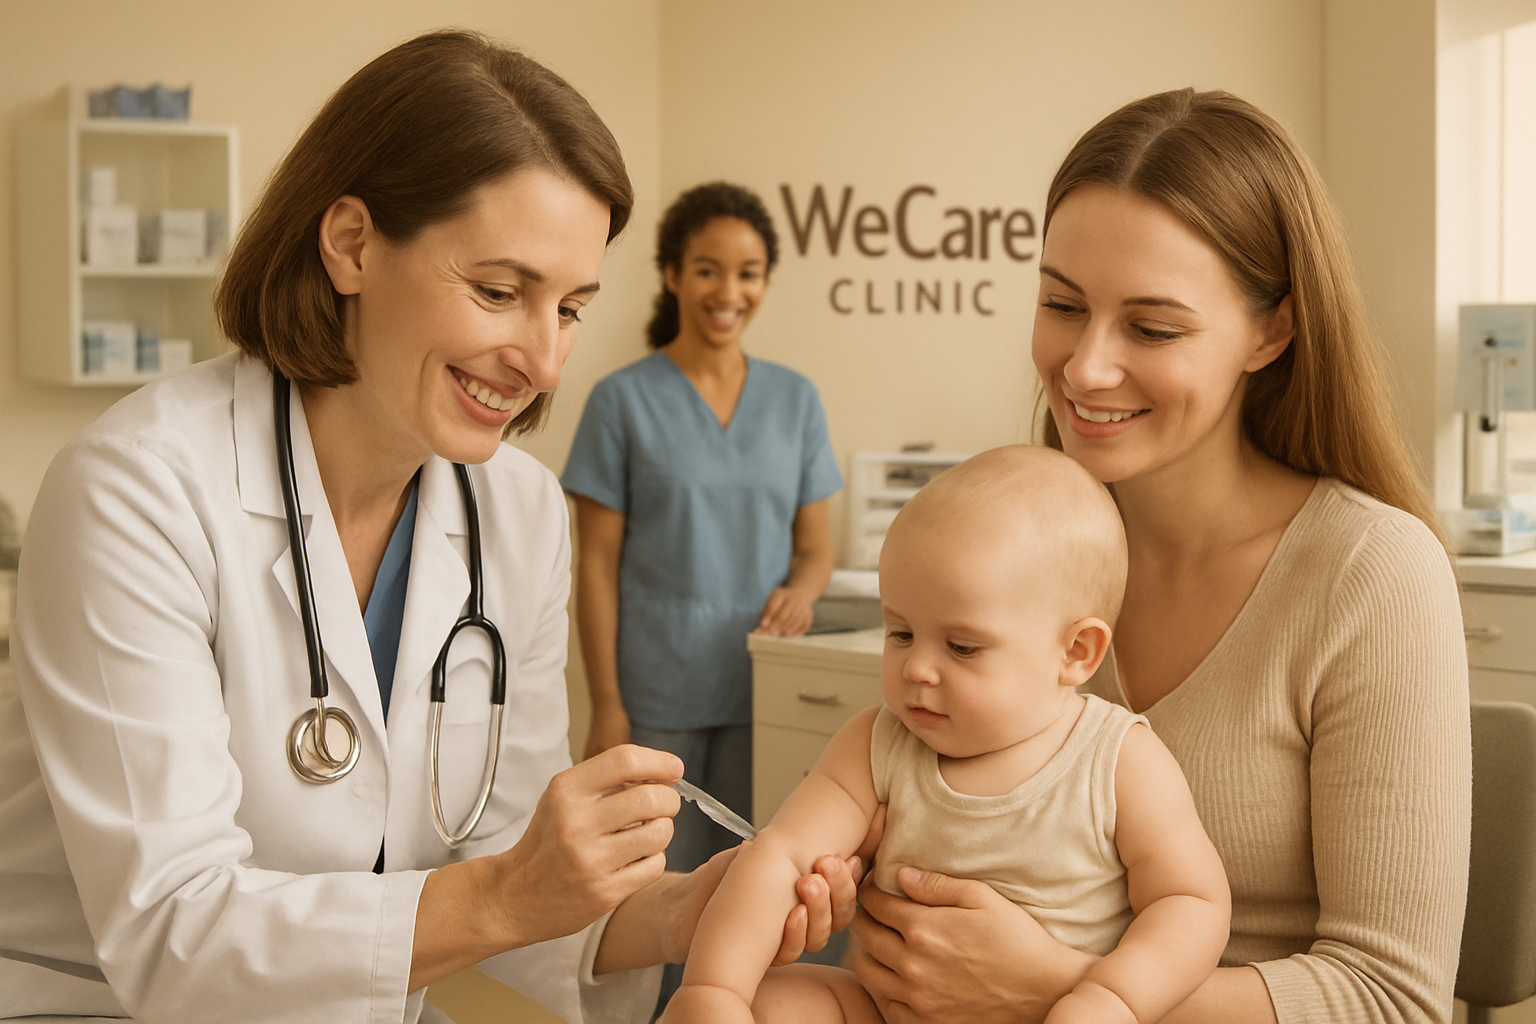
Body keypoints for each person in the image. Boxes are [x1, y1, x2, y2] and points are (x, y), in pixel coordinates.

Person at [0, 32, 856, 1024]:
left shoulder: (518, 515)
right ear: (353, 243)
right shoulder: (137, 490)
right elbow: (172, 933)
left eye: (571, 307)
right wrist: (507, 893)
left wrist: (680, 913)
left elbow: (506, 864)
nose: (543, 360)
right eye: (500, 291)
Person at [844, 88, 1471, 1024]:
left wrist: (1052, 988)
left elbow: (1391, 998)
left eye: (1153, 327)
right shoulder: (1016, 543)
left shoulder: (1371, 576)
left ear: (1274, 329)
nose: (1087, 367)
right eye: (1062, 304)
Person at [662, 445, 1231, 1024]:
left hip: (1049, 1014)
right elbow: (779, 856)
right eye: (900, 633)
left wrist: (1111, 1000)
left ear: (1075, 653)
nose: (917, 669)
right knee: (776, 1003)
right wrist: (714, 991)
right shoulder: (875, 744)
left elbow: (1190, 903)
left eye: (961, 646)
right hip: (887, 1010)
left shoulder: (1119, 759)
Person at [562, 182, 842, 880]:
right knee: (655, 886)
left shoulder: (796, 400)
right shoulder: (622, 401)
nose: (729, 290)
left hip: (763, 687)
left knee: (752, 884)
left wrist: (804, 593)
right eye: (708, 269)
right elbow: (594, 566)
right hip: (657, 694)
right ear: (673, 275)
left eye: (748, 273)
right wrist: (607, 708)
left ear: (765, 283)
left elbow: (815, 550)